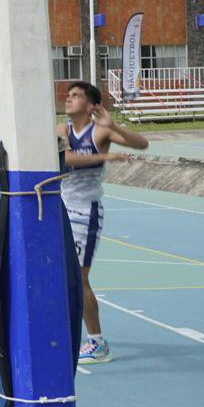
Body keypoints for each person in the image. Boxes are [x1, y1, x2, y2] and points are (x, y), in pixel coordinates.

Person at [57, 81, 149, 365]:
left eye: (76, 96)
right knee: (54, 269)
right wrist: (105, 155)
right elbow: (64, 158)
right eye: (68, 95)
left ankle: (97, 343)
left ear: (90, 105)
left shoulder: (100, 131)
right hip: (61, 206)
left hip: (86, 212)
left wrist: (116, 126)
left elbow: (142, 144)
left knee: (79, 279)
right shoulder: (62, 130)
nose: (69, 99)